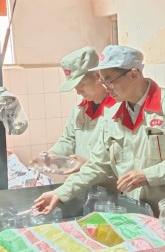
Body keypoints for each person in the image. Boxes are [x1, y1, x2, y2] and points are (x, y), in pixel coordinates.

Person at [33, 44, 165, 213]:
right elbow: (98, 165)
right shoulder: (113, 115)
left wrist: (148, 175)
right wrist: (60, 193)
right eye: (102, 80)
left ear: (133, 74)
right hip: (136, 211)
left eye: (109, 80)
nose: (106, 87)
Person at [40, 45, 116, 174]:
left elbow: (122, 157)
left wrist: (89, 165)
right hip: (81, 180)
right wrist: (51, 154)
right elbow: (69, 139)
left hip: (107, 181)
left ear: (98, 76)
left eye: (81, 84)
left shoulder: (118, 109)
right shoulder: (79, 107)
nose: (78, 91)